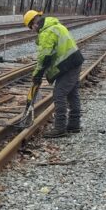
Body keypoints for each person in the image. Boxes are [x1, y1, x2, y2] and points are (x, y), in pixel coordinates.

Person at [23, 10, 84, 138]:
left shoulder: (47, 32)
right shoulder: (56, 25)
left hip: (67, 65)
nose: (32, 29)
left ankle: (60, 127)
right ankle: (74, 125)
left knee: (59, 94)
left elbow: (44, 56)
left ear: (34, 22)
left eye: (30, 27)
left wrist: (37, 74)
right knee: (72, 93)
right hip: (73, 62)